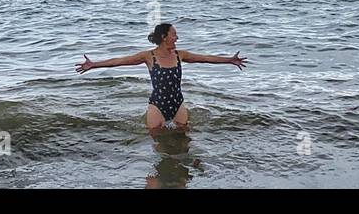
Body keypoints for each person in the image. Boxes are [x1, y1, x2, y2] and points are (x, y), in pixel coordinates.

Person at [74, 23, 247, 132]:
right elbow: (119, 61)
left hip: (178, 103)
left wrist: (229, 60)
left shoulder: (181, 55)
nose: (177, 37)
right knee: (157, 141)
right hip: (157, 104)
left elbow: (206, 58)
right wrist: (94, 64)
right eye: (174, 34)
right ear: (164, 38)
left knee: (184, 139)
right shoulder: (149, 56)